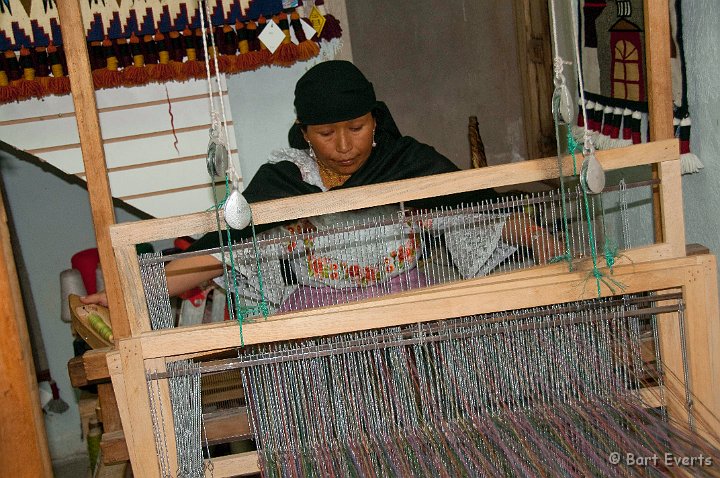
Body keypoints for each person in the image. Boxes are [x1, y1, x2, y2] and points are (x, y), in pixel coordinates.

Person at [82, 60, 562, 308]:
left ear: (375, 120)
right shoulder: (286, 182)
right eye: (326, 134)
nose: (345, 146)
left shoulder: (410, 163)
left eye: (356, 128)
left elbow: (482, 213)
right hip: (322, 329)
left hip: (410, 318)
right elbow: (222, 252)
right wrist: (132, 295)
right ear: (303, 131)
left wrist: (543, 240)